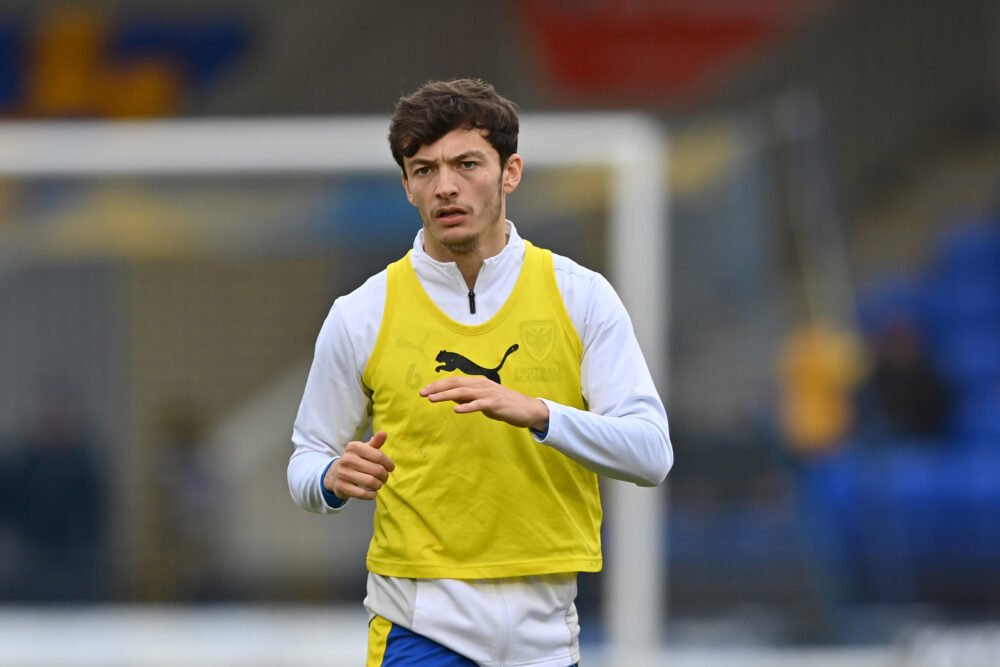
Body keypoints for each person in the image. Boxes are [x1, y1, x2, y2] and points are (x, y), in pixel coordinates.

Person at [288, 78, 672, 667]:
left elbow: (651, 454)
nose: (445, 186)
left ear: (509, 172)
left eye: (467, 164)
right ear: (407, 186)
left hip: (546, 634)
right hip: (418, 628)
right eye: (424, 169)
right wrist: (330, 479)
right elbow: (306, 457)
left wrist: (540, 414)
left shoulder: (581, 296)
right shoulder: (361, 313)